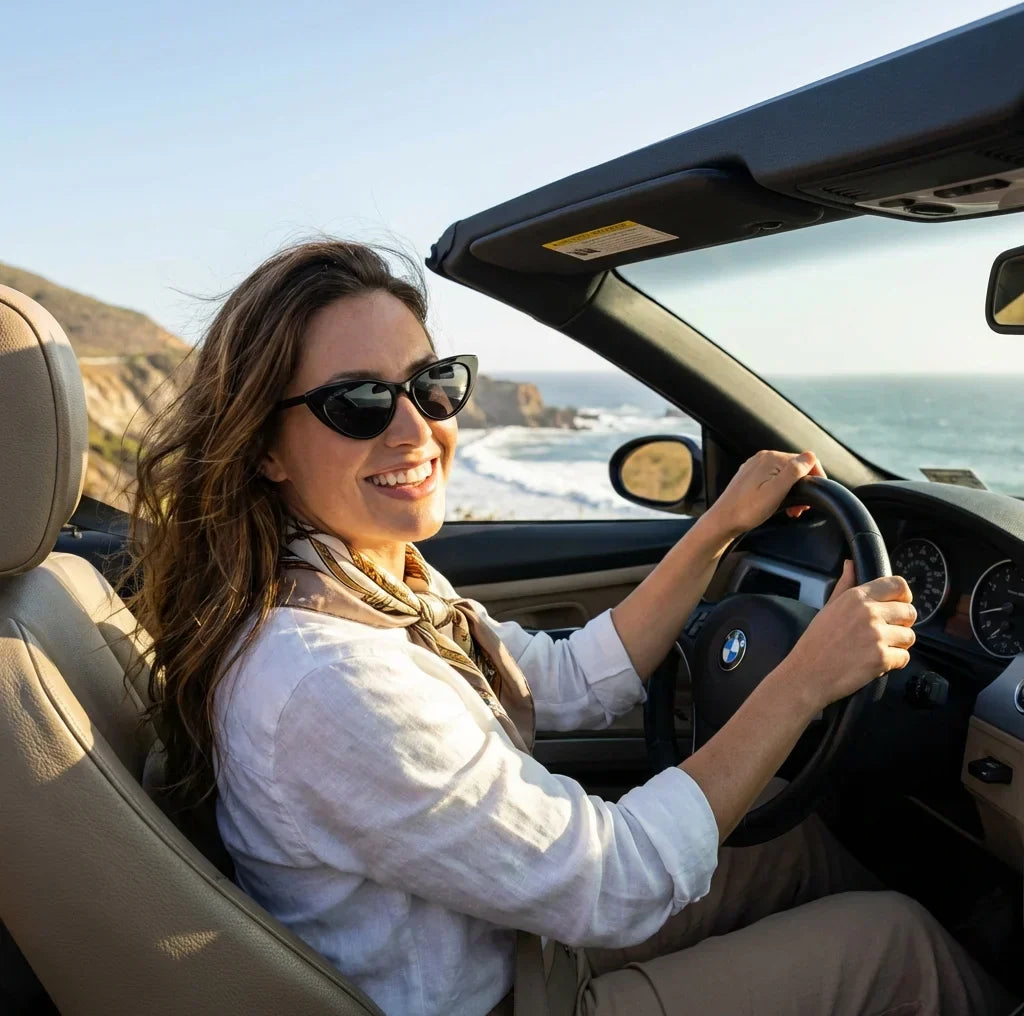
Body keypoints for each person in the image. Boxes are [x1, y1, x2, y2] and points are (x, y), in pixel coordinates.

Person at [129, 239, 1016, 1016]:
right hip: (508, 994)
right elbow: (616, 884)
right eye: (358, 403)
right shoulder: (328, 677)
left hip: (503, 933)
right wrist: (804, 681)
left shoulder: (358, 575)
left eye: (432, 386)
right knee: (895, 941)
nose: (417, 429)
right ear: (265, 449)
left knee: (793, 848)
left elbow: (561, 679)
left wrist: (715, 531)